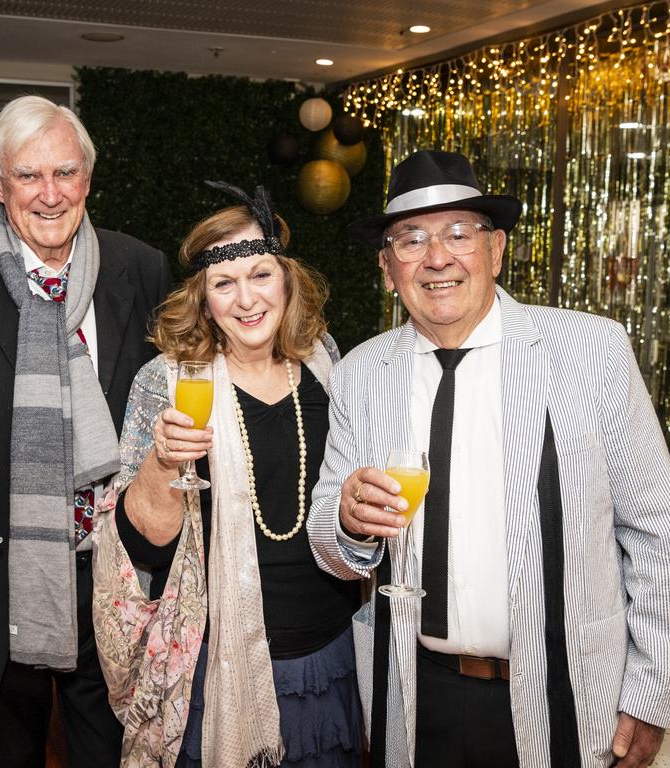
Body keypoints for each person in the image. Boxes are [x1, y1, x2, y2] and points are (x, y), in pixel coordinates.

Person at [307, 149, 670, 768]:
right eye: (411, 239)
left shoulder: (590, 352)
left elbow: (656, 532)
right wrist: (345, 518)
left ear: (496, 250)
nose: (437, 257)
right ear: (388, 267)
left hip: (569, 693)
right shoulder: (360, 374)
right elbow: (327, 541)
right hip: (416, 693)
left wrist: (649, 690)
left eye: (459, 233)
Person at [0, 94, 172, 768]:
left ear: (87, 178)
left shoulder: (140, 269)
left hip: (112, 577)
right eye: (28, 175)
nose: (50, 195)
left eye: (66, 173)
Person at [92, 183, 362, 768]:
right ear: (203, 297)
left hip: (327, 656)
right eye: (224, 283)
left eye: (260, 275)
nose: (246, 299)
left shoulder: (327, 365)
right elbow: (137, 550)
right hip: (216, 667)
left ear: (287, 280)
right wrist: (162, 464)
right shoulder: (164, 382)